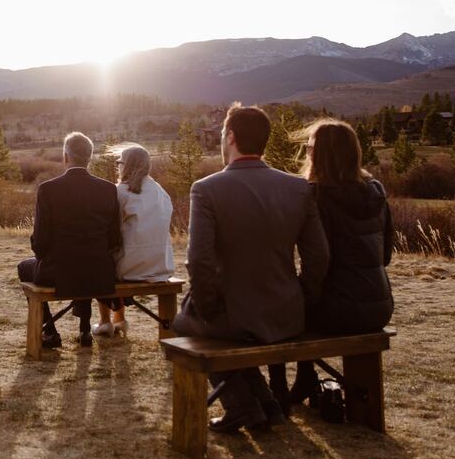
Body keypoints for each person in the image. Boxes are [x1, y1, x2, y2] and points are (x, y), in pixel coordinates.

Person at [173, 103, 329, 433]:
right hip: (287, 314)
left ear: (230, 137)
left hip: (233, 317)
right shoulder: (298, 188)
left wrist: (207, 307)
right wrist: (302, 296)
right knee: (218, 329)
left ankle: (242, 405)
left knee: (185, 323)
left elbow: (198, 261)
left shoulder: (206, 189)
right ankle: (267, 404)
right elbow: (319, 257)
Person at [268, 119, 394, 413]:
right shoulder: (375, 191)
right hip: (379, 307)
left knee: (281, 307)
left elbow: (317, 264)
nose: (306, 152)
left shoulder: (315, 196)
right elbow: (385, 256)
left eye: (310, 147)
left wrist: (304, 293)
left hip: (338, 308)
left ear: (319, 154)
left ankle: (282, 391)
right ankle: (304, 377)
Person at [17, 132, 120, 348]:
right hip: (100, 271)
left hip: (59, 271)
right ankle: (84, 330)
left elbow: (41, 243)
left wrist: (43, 254)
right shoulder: (108, 189)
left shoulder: (48, 189)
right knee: (83, 261)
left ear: (65, 157)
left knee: (24, 267)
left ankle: (50, 332)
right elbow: (114, 239)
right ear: (89, 157)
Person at [93, 144, 174, 338]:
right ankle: (119, 319)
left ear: (126, 165)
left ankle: (106, 322)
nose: (118, 166)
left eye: (119, 162)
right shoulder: (161, 192)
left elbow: (110, 232)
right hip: (161, 265)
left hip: (130, 268)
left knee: (100, 260)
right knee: (124, 252)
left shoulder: (120, 192)